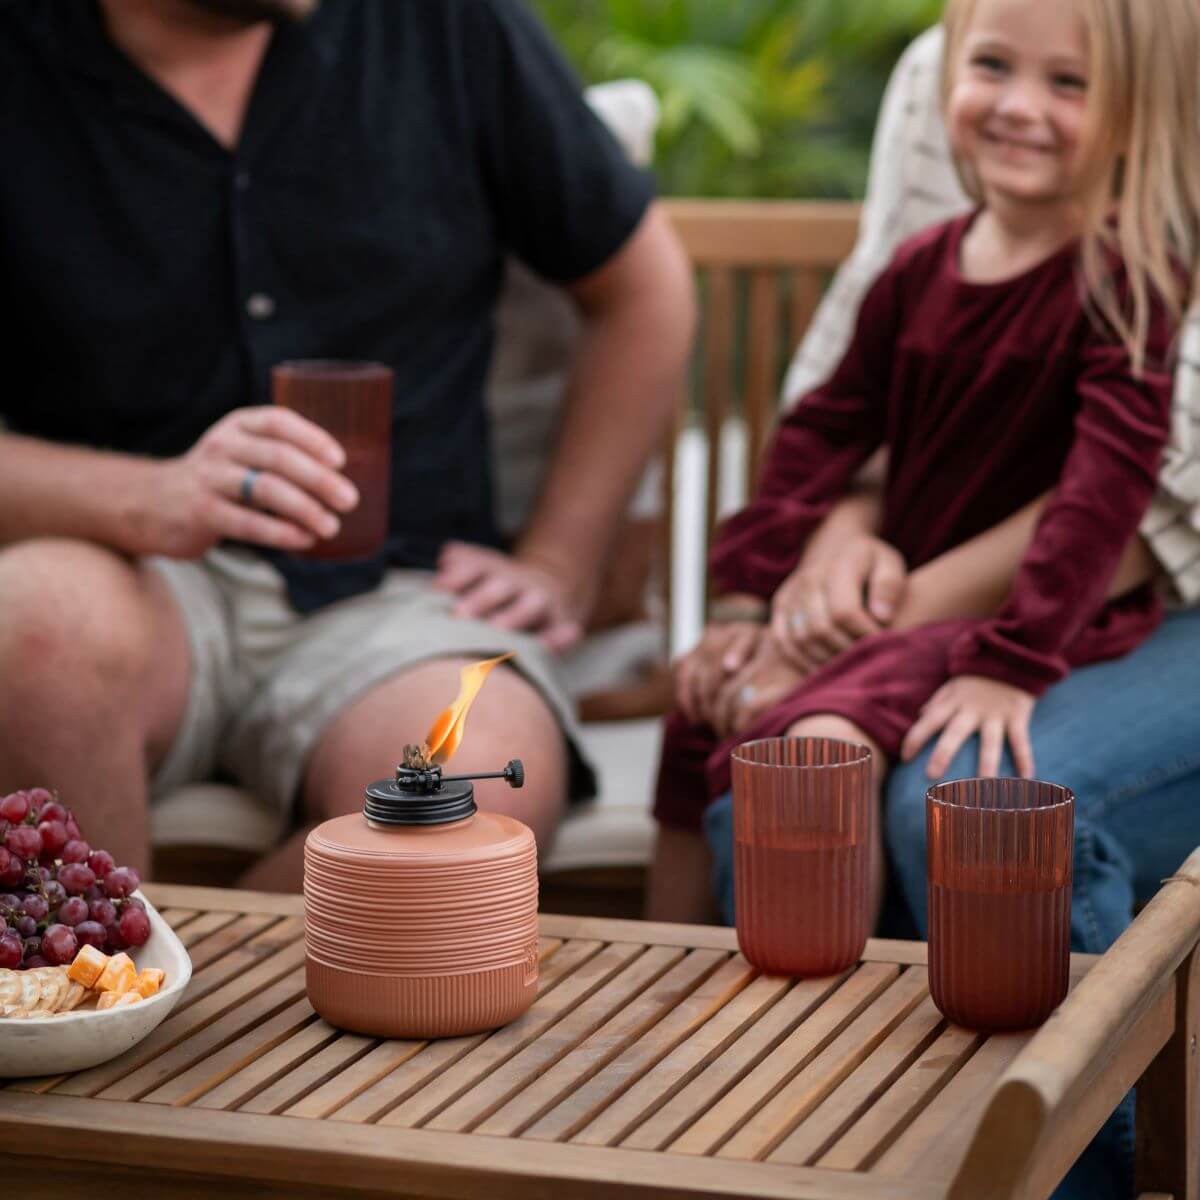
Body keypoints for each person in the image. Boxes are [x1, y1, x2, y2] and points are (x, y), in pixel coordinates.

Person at [0, 0, 696, 889]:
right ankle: (97, 1004)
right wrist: (149, 498)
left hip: (404, 599)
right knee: (32, 631)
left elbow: (645, 290)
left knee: (471, 792)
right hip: (125, 571)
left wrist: (561, 558)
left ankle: (176, 1005)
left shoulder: (450, 25)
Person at [649, 0, 1200, 934]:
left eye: (1069, 84)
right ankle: (656, 985)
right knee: (703, 707)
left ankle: (816, 1039)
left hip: (1021, 618)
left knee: (810, 752)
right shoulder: (917, 267)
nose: (1020, 106)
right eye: (992, 67)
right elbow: (823, 432)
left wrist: (1012, 665)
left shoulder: (1128, 284)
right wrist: (749, 600)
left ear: (1136, 113)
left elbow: (1103, 494)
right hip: (910, 588)